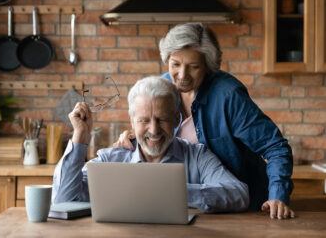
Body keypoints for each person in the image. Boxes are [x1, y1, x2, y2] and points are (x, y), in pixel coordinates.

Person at [114, 23, 295, 219]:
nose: (182, 75)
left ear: (208, 66)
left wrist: (278, 196)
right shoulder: (163, 89)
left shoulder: (228, 96)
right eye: (175, 64)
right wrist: (133, 136)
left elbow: (276, 147)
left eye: (193, 67)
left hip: (242, 207)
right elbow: (153, 129)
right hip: (186, 206)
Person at [52, 76, 249, 213]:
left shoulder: (197, 156)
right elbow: (63, 200)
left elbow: (239, 194)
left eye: (162, 119)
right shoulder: (110, 159)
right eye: (144, 120)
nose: (154, 130)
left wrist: (171, 192)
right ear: (132, 121)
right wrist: (80, 136)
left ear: (176, 119)